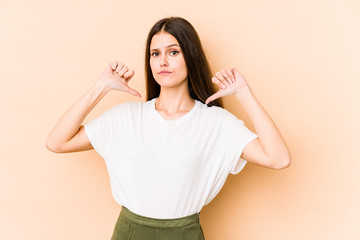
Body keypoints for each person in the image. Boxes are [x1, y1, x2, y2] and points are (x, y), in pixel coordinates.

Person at [46, 17, 291, 240]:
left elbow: (278, 158)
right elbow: (57, 142)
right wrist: (101, 87)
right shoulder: (126, 117)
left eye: (173, 52)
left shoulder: (216, 123)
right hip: (129, 233)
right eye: (155, 54)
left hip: (185, 234)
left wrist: (244, 94)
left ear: (190, 57)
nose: (162, 61)